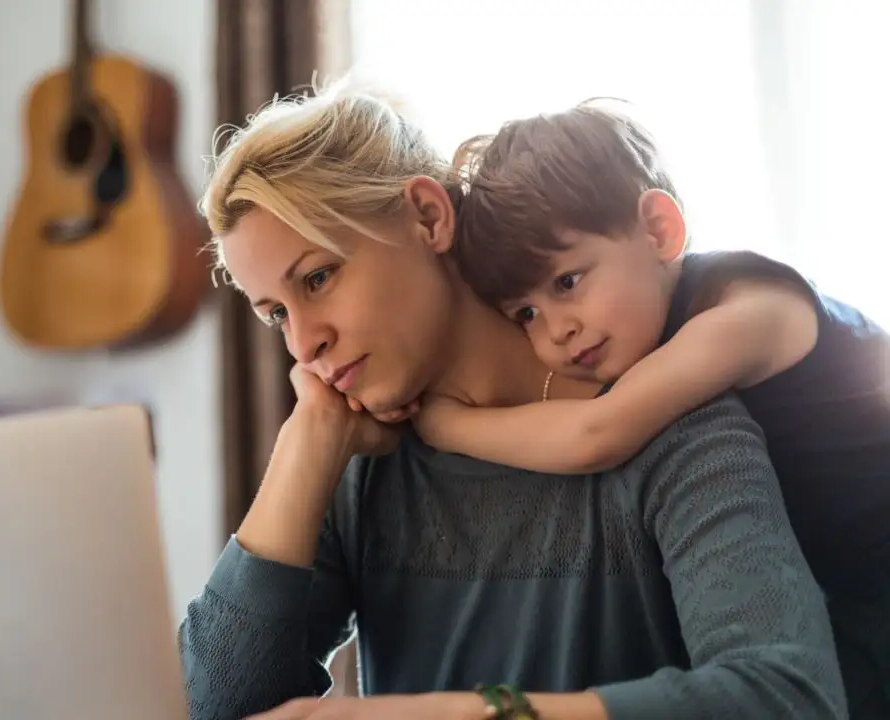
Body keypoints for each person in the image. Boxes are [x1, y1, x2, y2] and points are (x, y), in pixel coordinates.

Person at [177, 82, 846, 720]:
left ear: (428, 215)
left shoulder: (671, 421)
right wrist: (306, 443)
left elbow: (786, 699)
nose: (304, 345)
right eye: (275, 316)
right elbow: (218, 705)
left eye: (318, 278)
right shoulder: (358, 461)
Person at [414, 99, 890, 717]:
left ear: (659, 231)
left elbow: (595, 434)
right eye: (525, 314)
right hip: (845, 590)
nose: (556, 330)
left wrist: (443, 423)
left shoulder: (748, 312)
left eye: (566, 282)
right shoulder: (652, 335)